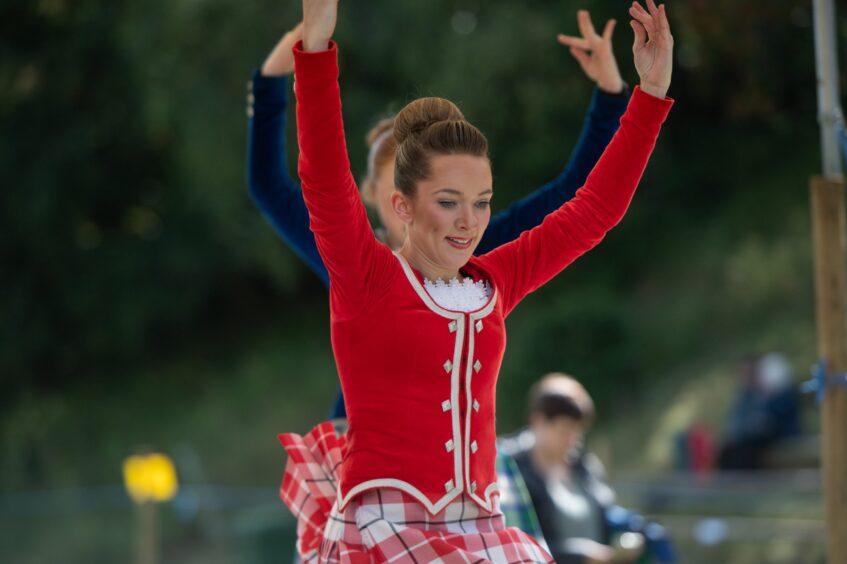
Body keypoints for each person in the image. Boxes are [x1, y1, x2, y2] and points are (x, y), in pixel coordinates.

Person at [279, 0, 674, 561]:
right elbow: (323, 180)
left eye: (482, 203)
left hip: (482, 530)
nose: (469, 221)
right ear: (402, 205)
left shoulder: (493, 282)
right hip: (388, 533)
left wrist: (651, 95)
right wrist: (315, 49)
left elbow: (593, 212)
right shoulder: (367, 277)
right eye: (448, 202)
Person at [246, 8, 632, 422]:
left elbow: (575, 197)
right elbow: (271, 184)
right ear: (377, 195)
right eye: (399, 184)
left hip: (455, 455)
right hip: (366, 447)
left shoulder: (476, 253)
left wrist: (611, 95)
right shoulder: (347, 254)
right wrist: (272, 77)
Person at [505, 373, 675, 563]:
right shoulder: (509, 470)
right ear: (538, 420)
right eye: (565, 429)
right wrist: (580, 555)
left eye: (578, 431)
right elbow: (516, 541)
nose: (572, 439)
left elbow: (606, 513)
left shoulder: (583, 464)